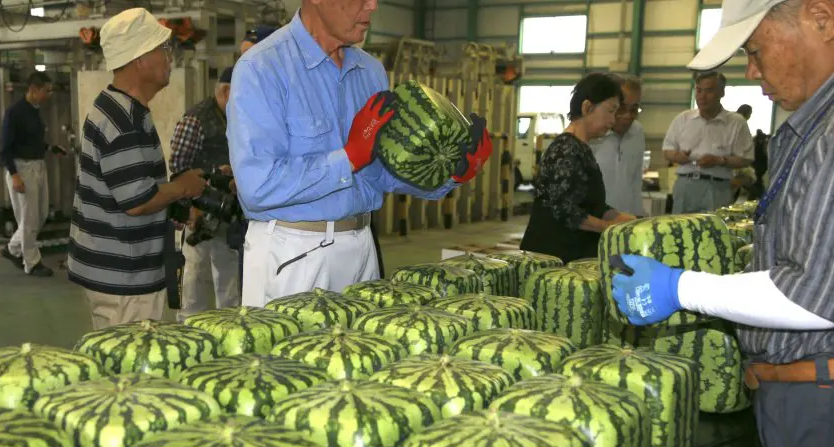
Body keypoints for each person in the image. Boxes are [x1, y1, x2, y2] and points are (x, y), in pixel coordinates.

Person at [612, 0, 834, 447]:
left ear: (821, 17)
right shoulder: (808, 124)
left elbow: (809, 295)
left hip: (818, 396)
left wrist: (681, 286)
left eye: (756, 52)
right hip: (793, 392)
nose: (751, 73)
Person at [227, 0, 491, 308]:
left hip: (362, 245)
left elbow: (380, 173)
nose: (373, 6)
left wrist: (452, 173)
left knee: (364, 353)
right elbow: (257, 186)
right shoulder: (262, 67)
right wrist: (349, 156)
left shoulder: (370, 71)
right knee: (291, 355)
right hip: (292, 251)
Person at [67, 7, 207, 329]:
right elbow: (137, 201)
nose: (169, 58)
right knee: (128, 372)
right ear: (139, 59)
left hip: (122, 271)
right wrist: (184, 186)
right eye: (164, 50)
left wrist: (172, 196)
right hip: (122, 280)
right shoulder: (123, 120)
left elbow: (135, 188)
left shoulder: (126, 110)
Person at [519, 72, 636, 263]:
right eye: (610, 110)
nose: (613, 121)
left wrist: (617, 216)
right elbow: (566, 210)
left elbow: (586, 201)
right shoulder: (565, 150)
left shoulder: (580, 148)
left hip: (571, 253)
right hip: (553, 257)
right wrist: (608, 226)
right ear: (587, 107)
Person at [169, 67, 241, 321]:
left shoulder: (236, 118)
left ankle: (230, 327)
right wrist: (211, 176)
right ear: (226, 91)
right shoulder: (196, 119)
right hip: (201, 212)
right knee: (195, 275)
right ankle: (189, 329)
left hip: (227, 212)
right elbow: (178, 167)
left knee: (228, 274)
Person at [662, 71, 754, 212]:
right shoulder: (683, 119)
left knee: (714, 231)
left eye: (709, 91)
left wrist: (720, 160)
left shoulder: (736, 123)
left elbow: (746, 159)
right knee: (680, 231)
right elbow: (667, 149)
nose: (702, 97)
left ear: (722, 92)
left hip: (717, 188)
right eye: (699, 90)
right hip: (685, 184)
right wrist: (677, 157)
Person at [0, 71, 62, 277]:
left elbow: (31, 140)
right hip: (22, 169)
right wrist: (14, 175)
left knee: (40, 215)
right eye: (46, 91)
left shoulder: (34, 111)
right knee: (29, 218)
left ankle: (12, 248)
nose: (48, 95)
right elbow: (6, 148)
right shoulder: (14, 113)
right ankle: (32, 263)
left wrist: (50, 148)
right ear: (33, 90)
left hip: (37, 165)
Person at [590, 74, 647, 217]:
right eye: (621, 108)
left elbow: (635, 180)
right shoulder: (591, 136)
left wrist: (637, 215)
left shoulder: (637, 132)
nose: (628, 115)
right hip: (594, 223)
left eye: (634, 109)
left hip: (625, 221)